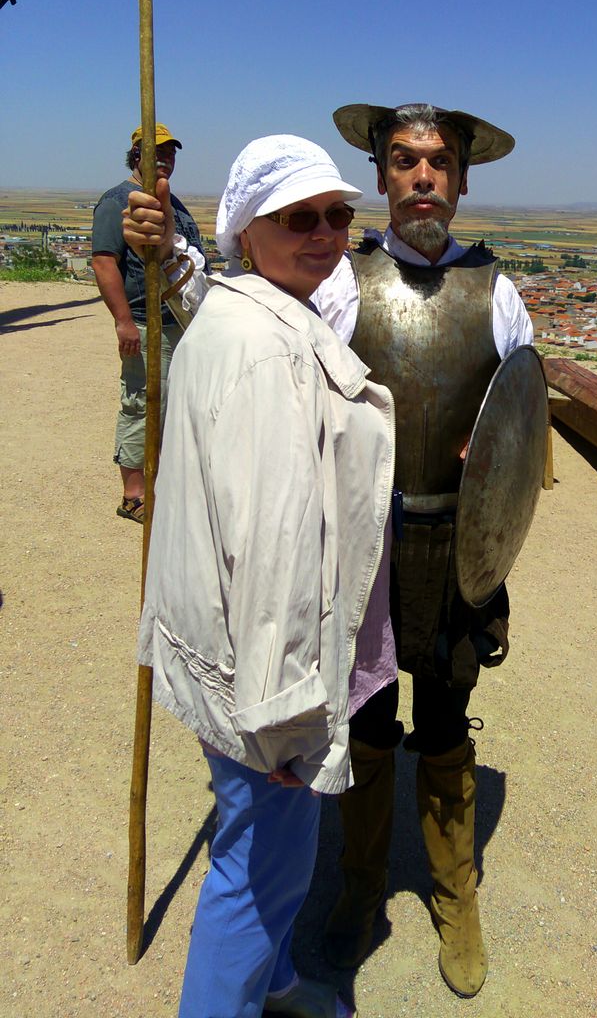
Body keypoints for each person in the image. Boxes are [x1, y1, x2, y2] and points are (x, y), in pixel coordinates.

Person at [124, 102, 535, 1000]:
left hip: (456, 552)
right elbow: (246, 313)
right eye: (404, 162)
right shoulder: (346, 281)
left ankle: (455, 895)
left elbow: (522, 422)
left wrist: (498, 455)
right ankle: (357, 887)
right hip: (364, 551)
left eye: (439, 163)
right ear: (383, 177)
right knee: (367, 722)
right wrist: (168, 256)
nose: (422, 178)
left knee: (445, 723)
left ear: (462, 181)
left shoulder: (498, 295)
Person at [133, 135, 395, 1018]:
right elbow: (275, 550)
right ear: (247, 231)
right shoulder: (270, 349)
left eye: (337, 215)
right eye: (297, 218)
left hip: (222, 648)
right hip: (262, 676)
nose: (324, 233)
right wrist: (287, 718)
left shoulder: (238, 316)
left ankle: (275, 983)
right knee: (255, 875)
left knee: (263, 855)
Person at [91, 123, 206, 523]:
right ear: (137, 155)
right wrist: (123, 321)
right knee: (141, 403)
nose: (166, 159)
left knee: (173, 406)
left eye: (171, 152)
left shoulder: (172, 203)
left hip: (180, 321)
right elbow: (104, 262)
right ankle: (134, 496)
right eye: (159, 152)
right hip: (144, 321)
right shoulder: (117, 201)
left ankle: (160, 486)